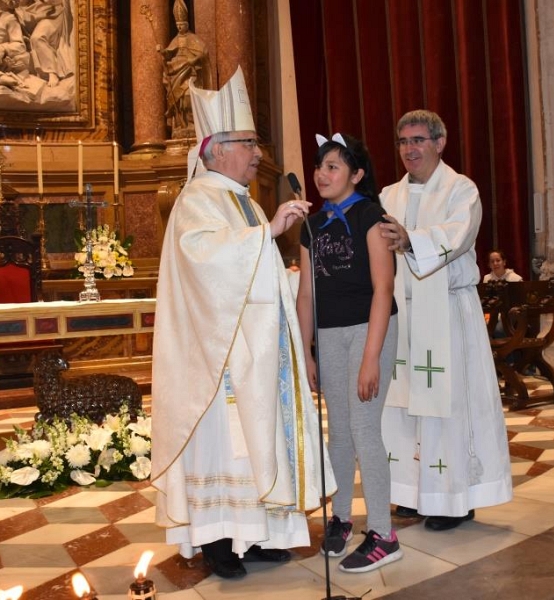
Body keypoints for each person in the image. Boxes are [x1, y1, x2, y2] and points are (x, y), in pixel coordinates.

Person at [151, 66, 336, 580]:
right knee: (227, 447)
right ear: (216, 147)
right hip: (220, 360)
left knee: (256, 442)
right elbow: (203, 260)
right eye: (248, 143)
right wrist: (266, 236)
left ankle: (254, 534)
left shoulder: (243, 201)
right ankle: (217, 541)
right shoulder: (196, 200)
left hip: (256, 354)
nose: (258, 153)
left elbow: (255, 271)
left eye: (256, 143)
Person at [379, 109, 513, 531]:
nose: (409, 149)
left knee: (448, 405)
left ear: (440, 143)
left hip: (449, 311)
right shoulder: (387, 195)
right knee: (404, 406)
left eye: (418, 140)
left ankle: (452, 498)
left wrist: (409, 239)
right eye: (403, 142)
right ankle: (411, 492)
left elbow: (456, 237)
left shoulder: (461, 189)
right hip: (403, 313)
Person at [296, 133, 402, 573]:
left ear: (356, 174)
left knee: (363, 427)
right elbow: (305, 294)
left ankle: (383, 533)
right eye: (320, 166)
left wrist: (371, 357)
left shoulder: (371, 216)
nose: (322, 174)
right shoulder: (311, 226)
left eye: (333, 166)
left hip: (370, 328)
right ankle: (341, 516)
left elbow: (384, 287)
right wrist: (306, 353)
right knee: (338, 430)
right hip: (330, 332)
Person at [158, 0, 212, 139]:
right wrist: (163, 52)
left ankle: (193, 124)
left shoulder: (193, 38)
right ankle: (182, 125)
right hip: (177, 71)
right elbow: (169, 52)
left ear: (187, 24)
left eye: (182, 24)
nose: (179, 27)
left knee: (189, 97)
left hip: (190, 72)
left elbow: (204, 51)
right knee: (179, 101)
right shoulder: (175, 39)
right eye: (177, 25)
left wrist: (194, 59)